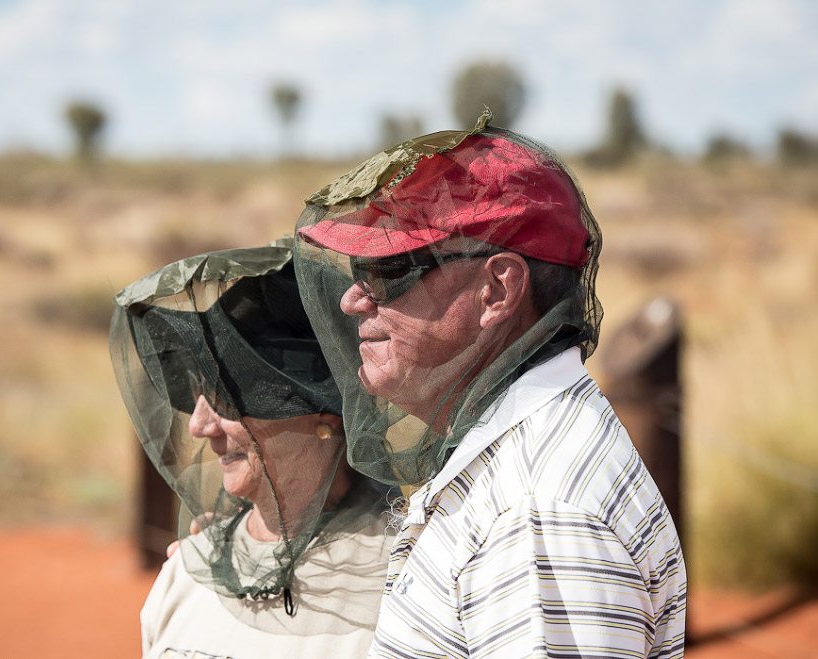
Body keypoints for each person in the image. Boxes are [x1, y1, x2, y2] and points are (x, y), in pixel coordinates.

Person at [293, 113, 687, 658]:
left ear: (497, 291)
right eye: (358, 268)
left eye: (391, 270)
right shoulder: (520, 462)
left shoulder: (536, 512)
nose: (353, 300)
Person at [109, 237, 394, 659]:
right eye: (197, 394)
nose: (200, 426)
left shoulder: (403, 575)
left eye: (227, 399)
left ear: (324, 408)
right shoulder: (186, 571)